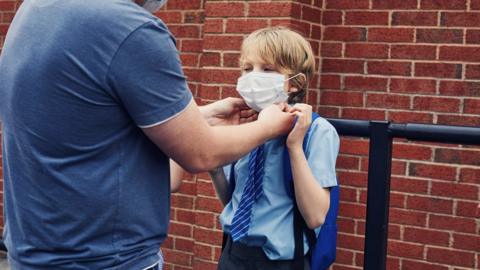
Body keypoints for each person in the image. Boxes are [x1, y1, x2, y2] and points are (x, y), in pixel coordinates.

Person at [0, 1, 295, 269]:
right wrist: (269, 126)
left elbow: (89, 123)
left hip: (33, 252)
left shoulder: (35, 9)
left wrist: (197, 117)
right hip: (105, 259)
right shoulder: (129, 28)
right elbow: (200, 153)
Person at [207, 27, 340, 270]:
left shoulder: (318, 132)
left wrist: (294, 147)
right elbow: (233, 200)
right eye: (247, 68)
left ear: (294, 83)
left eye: (267, 69)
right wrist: (215, 168)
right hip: (233, 254)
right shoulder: (248, 126)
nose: (253, 76)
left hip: (281, 262)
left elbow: (315, 216)